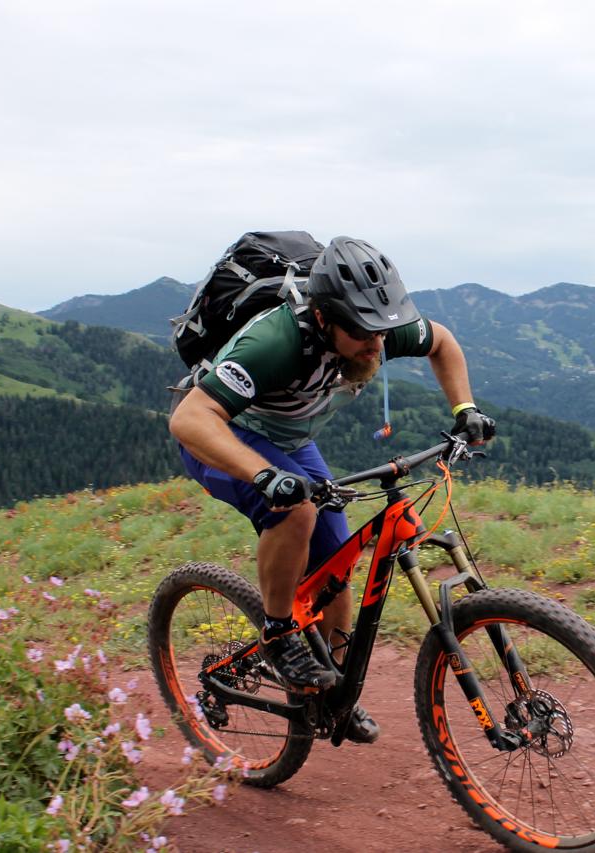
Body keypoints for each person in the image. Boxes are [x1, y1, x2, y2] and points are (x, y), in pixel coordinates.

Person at [168, 236, 494, 744]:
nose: (378, 346)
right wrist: (263, 475)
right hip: (221, 437)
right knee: (295, 511)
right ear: (323, 318)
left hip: (290, 441)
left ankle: (331, 694)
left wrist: (464, 410)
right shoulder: (275, 341)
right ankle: (278, 633)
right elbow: (191, 419)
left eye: (383, 332)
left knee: (337, 561)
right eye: (364, 334)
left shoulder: (374, 325)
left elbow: (443, 343)